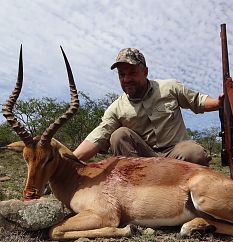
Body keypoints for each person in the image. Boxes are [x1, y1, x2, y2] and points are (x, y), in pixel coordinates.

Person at [73, 48, 223, 166]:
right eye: (121, 74)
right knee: (118, 136)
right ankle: (137, 192)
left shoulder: (169, 87)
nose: (126, 79)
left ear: (145, 72)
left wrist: (218, 103)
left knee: (193, 152)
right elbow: (98, 136)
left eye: (132, 73)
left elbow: (197, 100)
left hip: (177, 156)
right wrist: (68, 161)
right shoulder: (116, 108)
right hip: (143, 163)